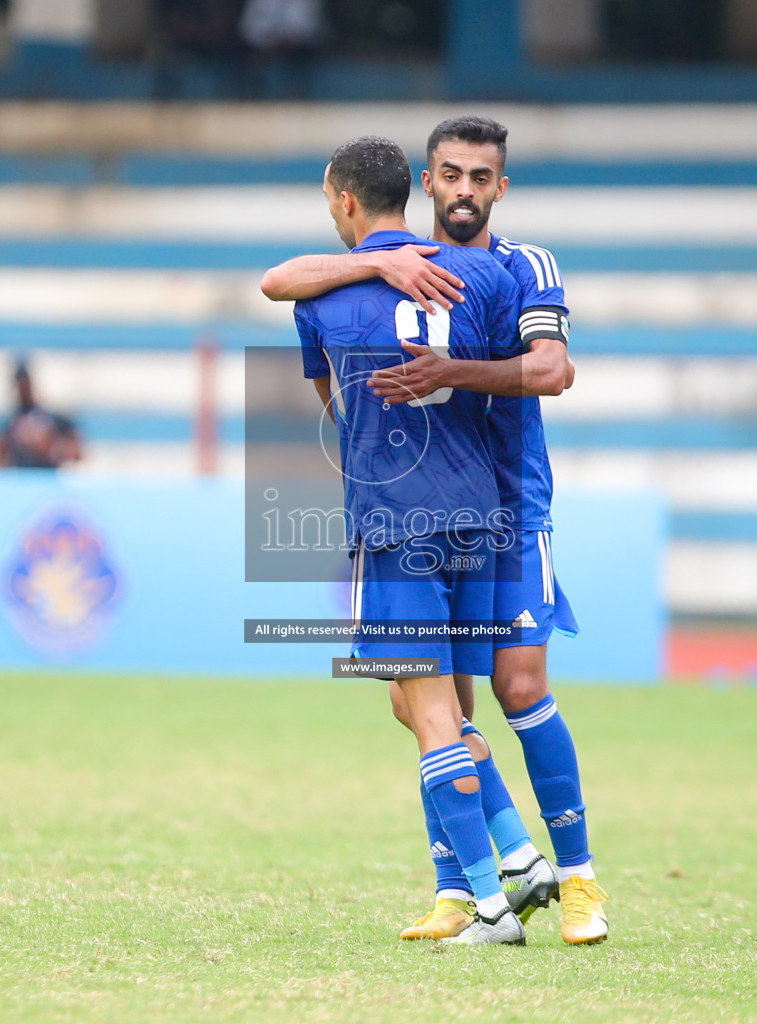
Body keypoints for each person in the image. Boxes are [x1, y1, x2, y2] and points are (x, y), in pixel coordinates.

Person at [264, 117, 607, 945]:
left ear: (500, 186)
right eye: (449, 175)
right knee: (422, 699)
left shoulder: (517, 268)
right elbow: (284, 278)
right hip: (455, 506)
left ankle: (573, 878)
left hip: (511, 504)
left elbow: (554, 370)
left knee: (512, 689)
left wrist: (447, 372)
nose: (463, 190)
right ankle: (469, 888)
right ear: (425, 182)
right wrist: (375, 259)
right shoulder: (413, 270)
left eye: (479, 177)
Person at [295, 135, 532, 945]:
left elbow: (336, 408)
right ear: (416, 191)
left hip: (397, 520)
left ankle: (490, 905)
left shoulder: (319, 299)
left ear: (346, 201)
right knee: (430, 704)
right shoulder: (488, 275)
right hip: (481, 515)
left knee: (426, 711)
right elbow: (512, 383)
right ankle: (523, 856)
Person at [0, 359, 83, 471]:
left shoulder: (54, 419)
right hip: (21, 482)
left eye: (25, 384)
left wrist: (49, 445)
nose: (22, 389)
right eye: (19, 385)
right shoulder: (9, 424)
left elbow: (78, 454)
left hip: (49, 482)